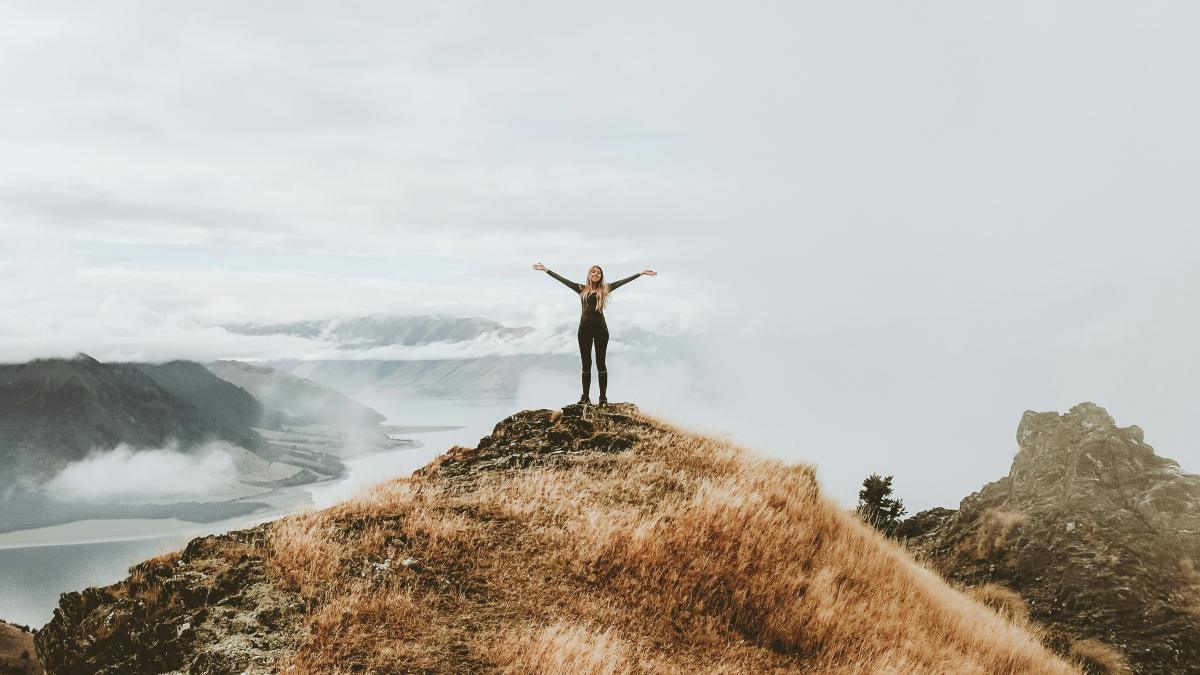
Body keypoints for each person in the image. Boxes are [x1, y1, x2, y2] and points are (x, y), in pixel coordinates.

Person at [532, 262, 657, 406]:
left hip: (601, 331)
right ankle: (585, 397)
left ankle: (603, 398)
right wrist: (546, 270)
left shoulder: (605, 289)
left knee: (600, 363)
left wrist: (640, 273)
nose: (596, 273)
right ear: (589, 275)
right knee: (586, 364)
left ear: (601, 276)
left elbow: (622, 282)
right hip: (583, 331)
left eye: (598, 272)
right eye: (593, 271)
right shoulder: (581, 289)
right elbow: (563, 280)